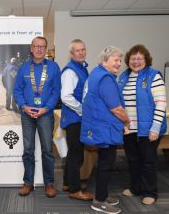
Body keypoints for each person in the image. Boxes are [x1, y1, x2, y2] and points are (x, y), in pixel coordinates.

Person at [80, 46, 130, 214]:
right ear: (104, 61)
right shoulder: (106, 79)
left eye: (120, 60)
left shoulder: (95, 73)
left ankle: (102, 194)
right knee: (105, 165)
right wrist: (127, 121)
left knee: (103, 163)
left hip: (98, 127)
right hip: (104, 129)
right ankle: (99, 201)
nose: (119, 64)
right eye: (115, 60)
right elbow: (116, 108)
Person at [118, 44, 167, 205]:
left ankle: (150, 192)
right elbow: (118, 102)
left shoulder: (154, 76)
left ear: (146, 60)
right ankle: (135, 187)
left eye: (139, 58)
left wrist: (155, 128)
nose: (136, 61)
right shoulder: (123, 76)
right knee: (133, 160)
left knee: (148, 161)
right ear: (128, 60)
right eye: (133, 58)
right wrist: (123, 124)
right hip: (128, 128)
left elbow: (161, 103)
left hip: (148, 130)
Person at [13, 36, 60, 198]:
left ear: (46, 49)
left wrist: (46, 108)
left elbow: (56, 91)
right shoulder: (24, 68)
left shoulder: (53, 67)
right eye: (36, 46)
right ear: (31, 48)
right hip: (27, 114)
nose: (39, 49)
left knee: (47, 150)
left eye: (42, 46)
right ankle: (28, 183)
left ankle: (49, 183)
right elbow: (17, 90)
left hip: (45, 115)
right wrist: (24, 106)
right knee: (28, 150)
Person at [60, 39, 93, 201]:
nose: (81, 52)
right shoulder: (70, 71)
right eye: (77, 50)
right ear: (71, 54)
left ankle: (68, 182)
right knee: (76, 154)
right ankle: (75, 189)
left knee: (73, 152)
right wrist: (82, 110)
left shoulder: (81, 68)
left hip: (76, 118)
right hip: (75, 118)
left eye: (83, 49)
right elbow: (65, 96)